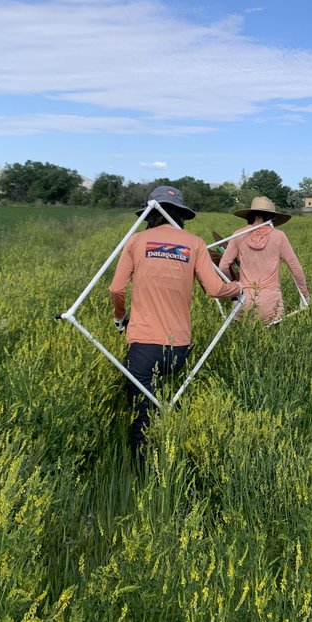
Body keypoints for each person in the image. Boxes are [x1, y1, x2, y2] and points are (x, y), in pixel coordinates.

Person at [109, 185, 242, 461]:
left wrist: (120, 317)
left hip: (143, 349)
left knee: (141, 416)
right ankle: (175, 453)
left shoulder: (136, 241)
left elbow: (116, 289)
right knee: (167, 398)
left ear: (149, 214)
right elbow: (216, 289)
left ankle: (143, 472)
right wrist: (239, 289)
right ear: (181, 216)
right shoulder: (194, 243)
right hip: (178, 350)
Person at [219, 196, 310, 324]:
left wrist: (233, 284)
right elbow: (296, 269)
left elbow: (223, 266)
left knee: (241, 341)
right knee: (271, 340)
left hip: (243, 301)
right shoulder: (279, 236)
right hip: (271, 303)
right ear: (271, 217)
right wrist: (304, 295)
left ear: (250, 215)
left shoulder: (238, 234)